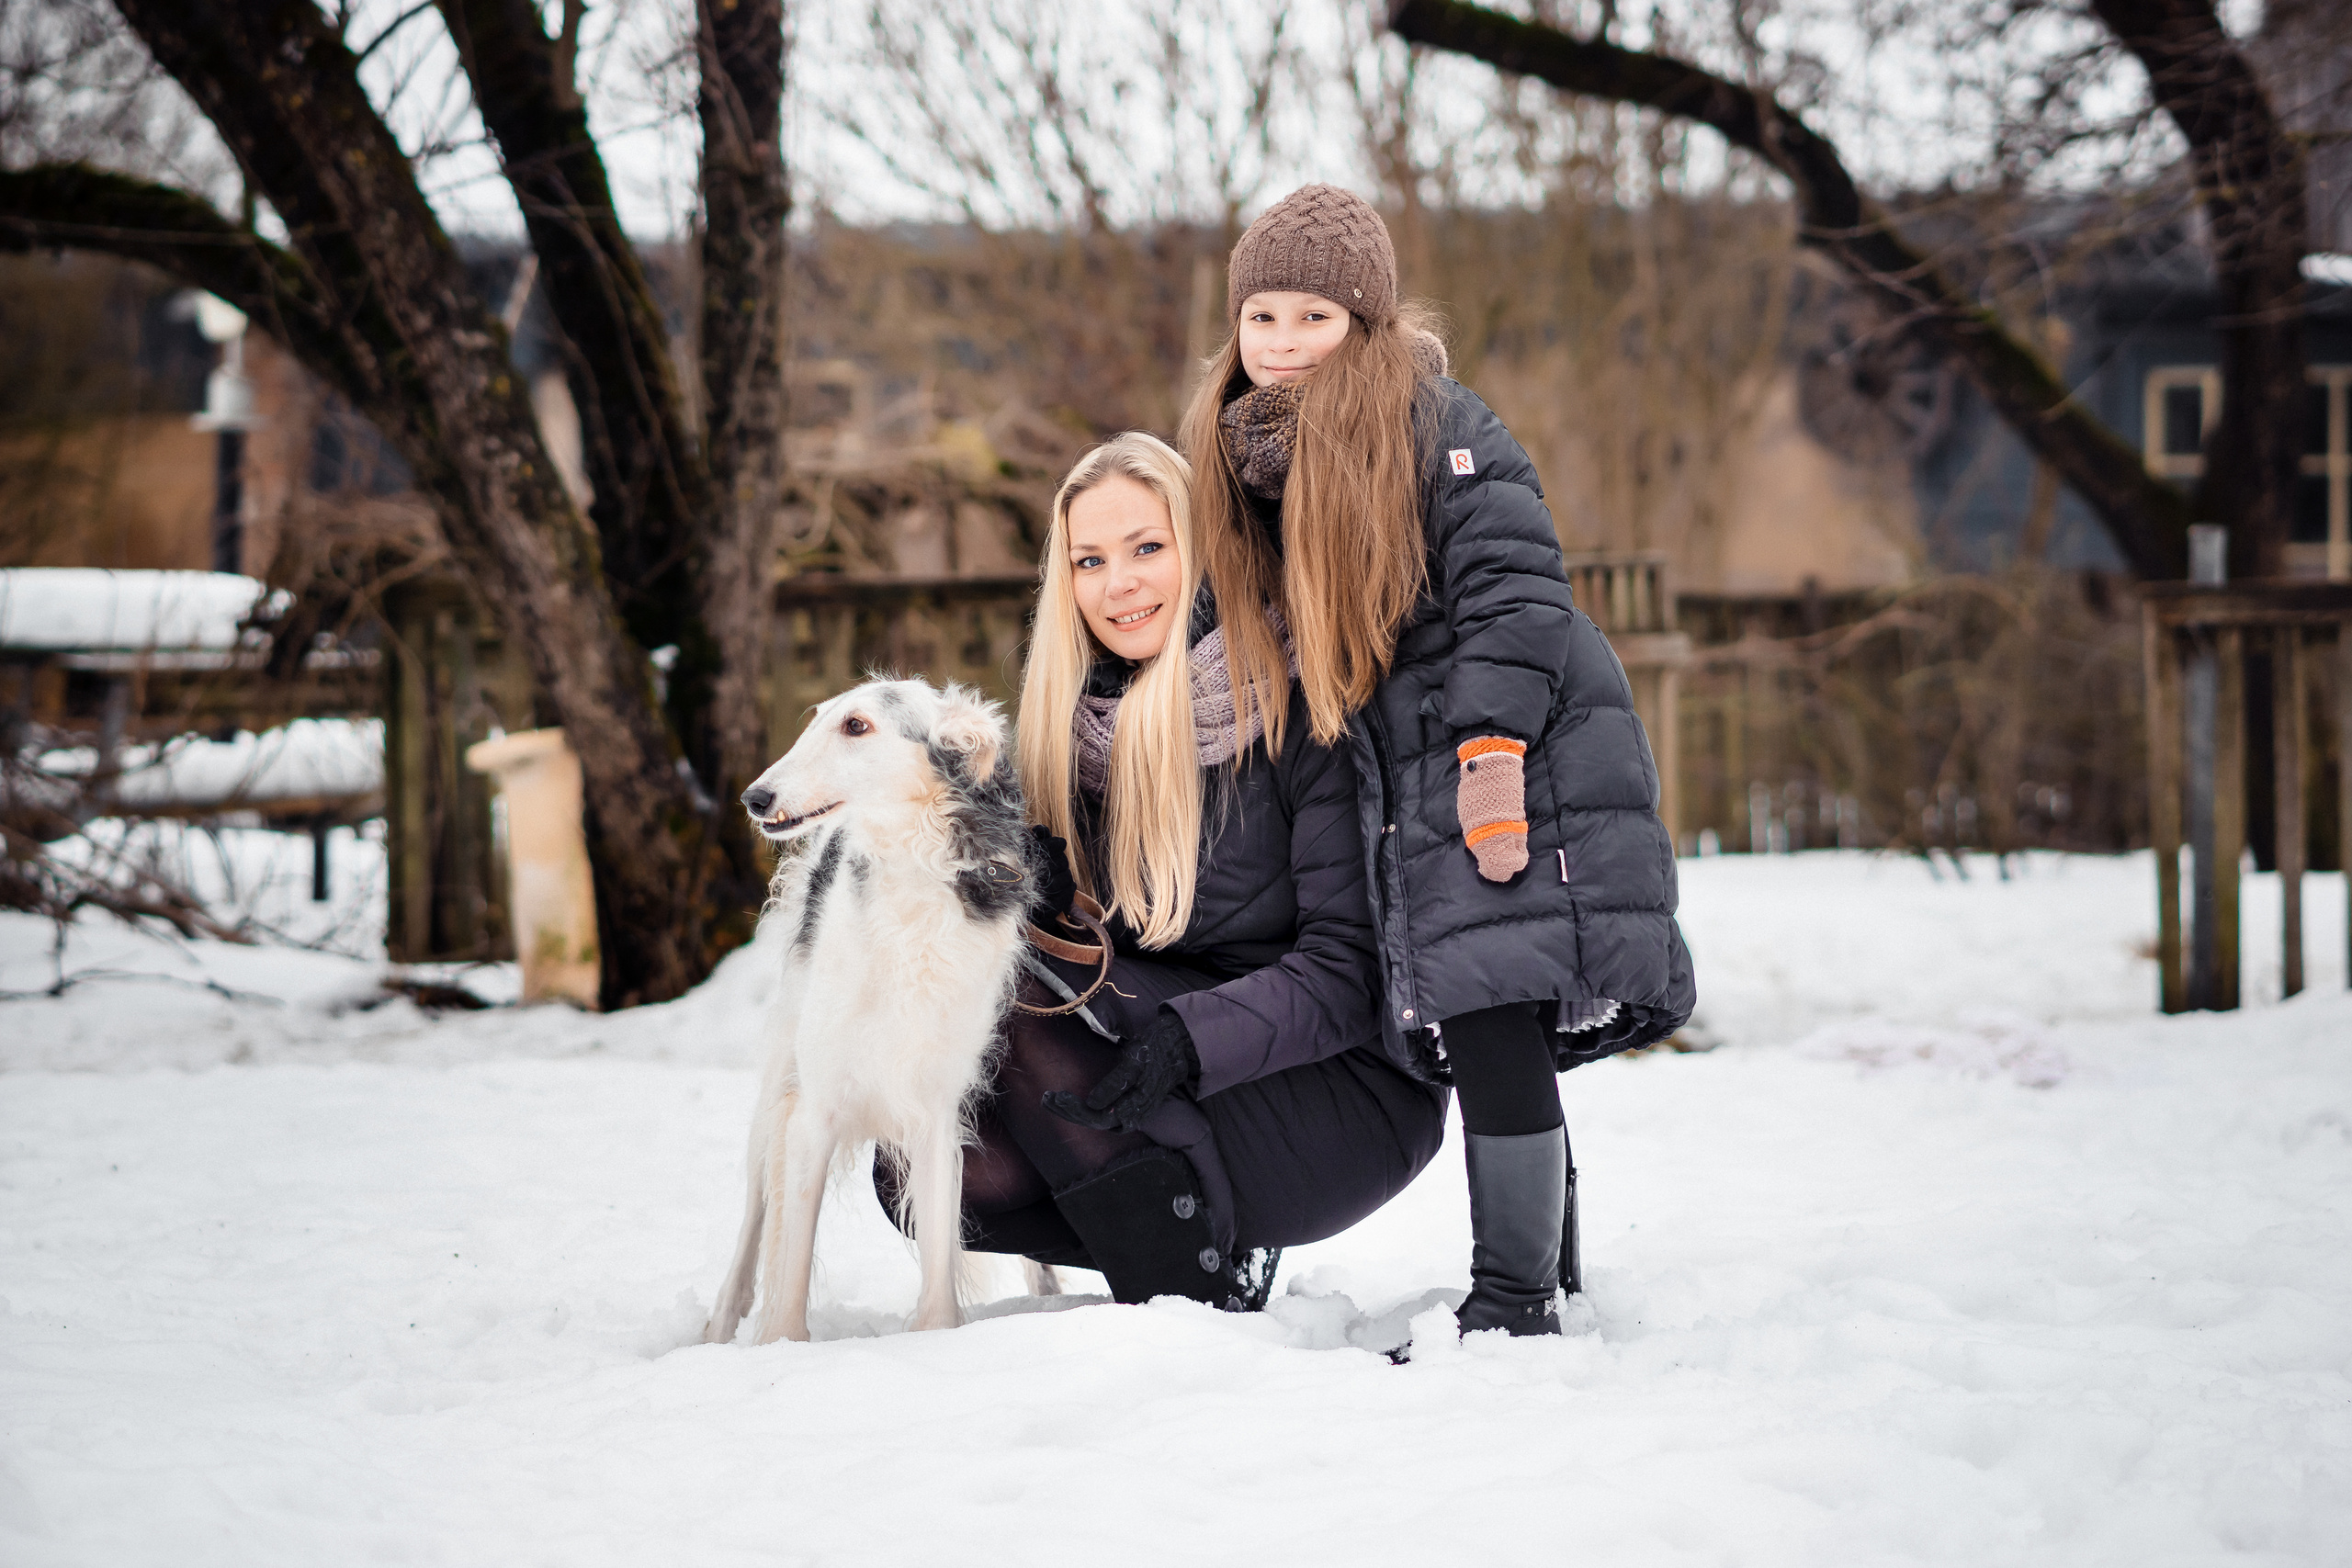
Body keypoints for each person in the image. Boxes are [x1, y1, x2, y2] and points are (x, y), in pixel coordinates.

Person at [1177, 184, 1698, 1336]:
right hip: (1391, 764)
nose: (1282, 342)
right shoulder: (1240, 452)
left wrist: (1491, 752)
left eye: (1313, 317)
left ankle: (1515, 1301)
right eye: (1261, 317)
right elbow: (1220, 612)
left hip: (1506, 745)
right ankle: (1544, 1276)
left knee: (1491, 1003)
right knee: (1480, 1004)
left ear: (1363, 320)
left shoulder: (1437, 424)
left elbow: (1515, 594)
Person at [880, 430, 1448, 1310]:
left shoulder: (1301, 703)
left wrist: (1189, 1039)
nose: (1120, 582)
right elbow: (1097, 953)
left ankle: (1187, 1304)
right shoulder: (1072, 731)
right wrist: (1038, 900)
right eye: (1091, 560)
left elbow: (1353, 969)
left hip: (1338, 1083)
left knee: (1024, 1015)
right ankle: (1195, 1251)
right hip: (1165, 1040)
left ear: (1204, 547)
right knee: (924, 1159)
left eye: (1147, 547)